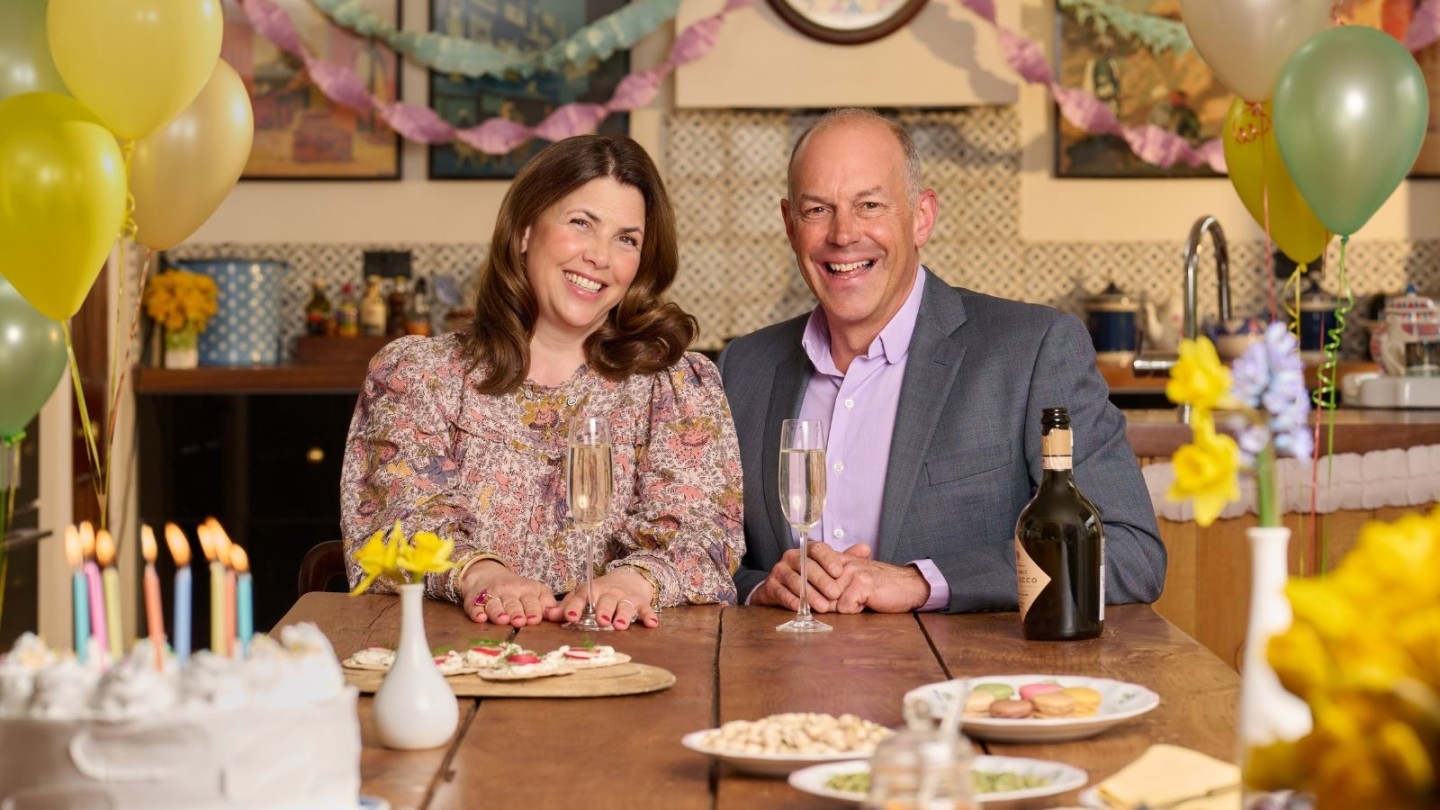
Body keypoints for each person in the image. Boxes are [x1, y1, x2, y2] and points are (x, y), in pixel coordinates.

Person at [717, 109, 1165, 614]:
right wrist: (760, 586)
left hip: (961, 686)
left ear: (922, 217)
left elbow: (1129, 552)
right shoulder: (742, 368)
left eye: (869, 205)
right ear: (789, 224)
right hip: (784, 683)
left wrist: (922, 582)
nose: (843, 234)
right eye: (817, 209)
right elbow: (709, 557)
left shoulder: (1033, 350)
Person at [341, 134, 745, 630]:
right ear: (524, 232)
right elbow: (399, 524)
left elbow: (705, 537)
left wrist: (635, 582)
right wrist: (482, 575)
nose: (600, 256)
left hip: (626, 665)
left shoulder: (677, 387)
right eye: (581, 223)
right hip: (454, 668)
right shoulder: (419, 376)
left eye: (626, 239)